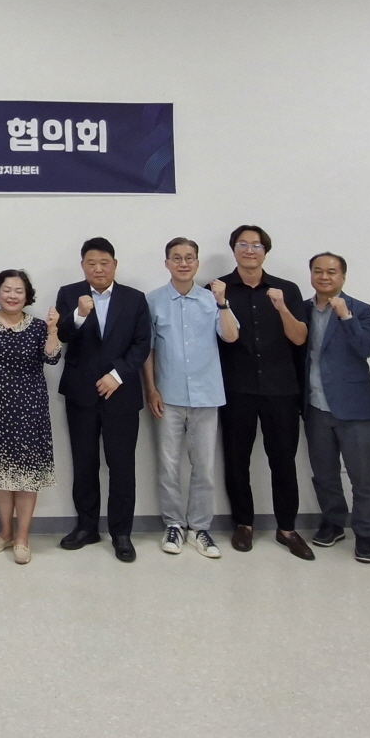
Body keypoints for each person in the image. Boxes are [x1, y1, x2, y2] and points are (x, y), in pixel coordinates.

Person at [217, 225, 314, 560]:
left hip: (281, 389)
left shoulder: (287, 289)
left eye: (256, 245)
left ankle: (287, 528)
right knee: (236, 460)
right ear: (233, 249)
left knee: (283, 460)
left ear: (265, 251)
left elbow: (299, 338)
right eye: (242, 244)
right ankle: (243, 524)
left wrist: (282, 308)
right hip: (236, 389)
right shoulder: (218, 289)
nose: (249, 250)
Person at [55, 238, 152, 562]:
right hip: (81, 393)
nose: (98, 269)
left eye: (104, 263)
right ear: (83, 266)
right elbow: (62, 335)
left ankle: (121, 533)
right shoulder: (69, 294)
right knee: (84, 463)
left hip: (121, 393)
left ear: (115, 264)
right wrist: (79, 315)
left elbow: (142, 343)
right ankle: (87, 527)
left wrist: (118, 375)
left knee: (122, 466)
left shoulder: (135, 298)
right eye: (91, 263)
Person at [142, 237, 237, 560]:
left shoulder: (212, 299)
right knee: (168, 465)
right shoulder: (153, 301)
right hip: (167, 396)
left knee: (204, 466)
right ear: (166, 263)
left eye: (189, 258)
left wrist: (222, 303)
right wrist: (151, 389)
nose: (183, 263)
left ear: (197, 263)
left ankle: (200, 527)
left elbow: (231, 335)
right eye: (177, 257)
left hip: (206, 395)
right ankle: (174, 524)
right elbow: (148, 350)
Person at [0, 269, 59, 565]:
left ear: (26, 295)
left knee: (27, 477)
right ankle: (5, 532)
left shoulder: (38, 327)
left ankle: (22, 537)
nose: (12, 295)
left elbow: (52, 357)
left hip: (30, 410)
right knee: (1, 473)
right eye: (7, 289)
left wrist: (53, 330)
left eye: (19, 290)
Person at [302, 252, 370, 563]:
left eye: (331, 271)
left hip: (355, 408)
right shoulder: (302, 309)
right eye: (318, 271)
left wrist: (346, 317)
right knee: (324, 474)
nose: (324, 277)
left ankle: (366, 535)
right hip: (315, 406)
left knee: (362, 477)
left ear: (343, 276)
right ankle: (333, 522)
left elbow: (366, 349)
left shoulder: (362, 309)